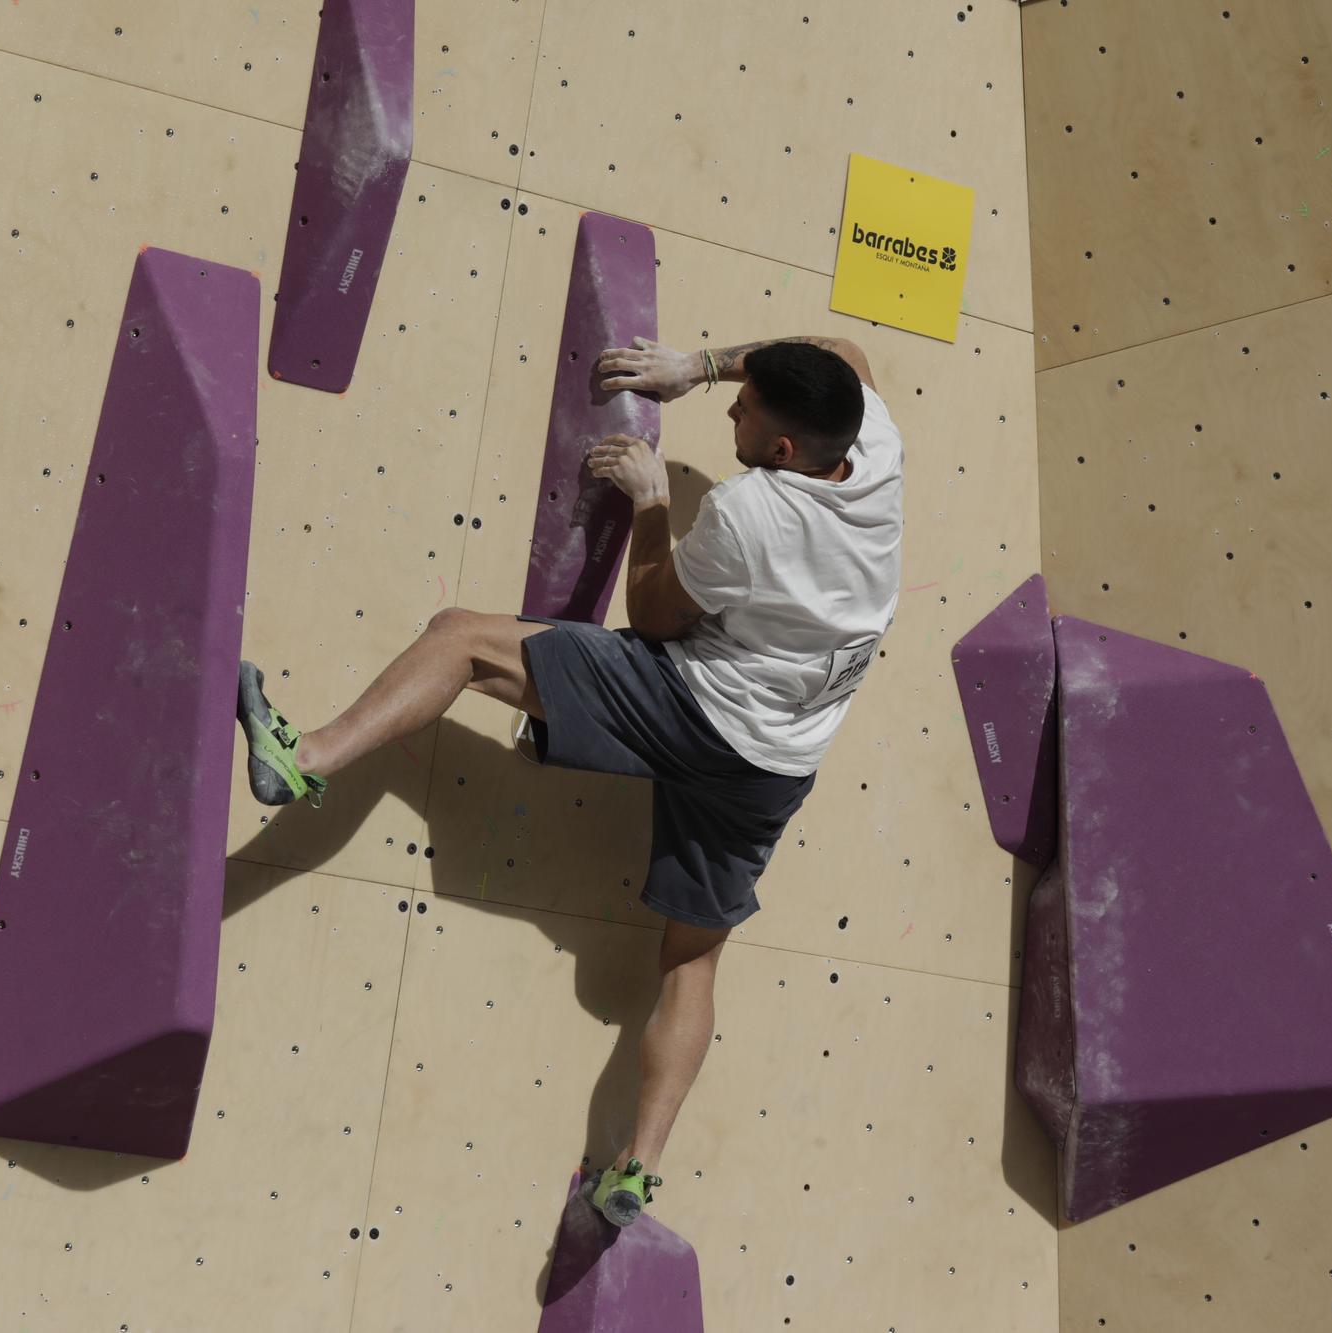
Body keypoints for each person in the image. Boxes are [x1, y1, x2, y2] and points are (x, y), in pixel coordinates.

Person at [235, 334, 904, 1227]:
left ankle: (302, 758)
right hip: (780, 763)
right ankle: (638, 1166)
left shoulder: (756, 513)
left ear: (784, 451)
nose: (731, 410)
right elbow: (842, 351)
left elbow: (655, 616)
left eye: (745, 411)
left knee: (460, 639)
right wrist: (699, 366)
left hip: (698, 706)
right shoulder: (875, 452)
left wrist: (653, 502)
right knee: (694, 956)